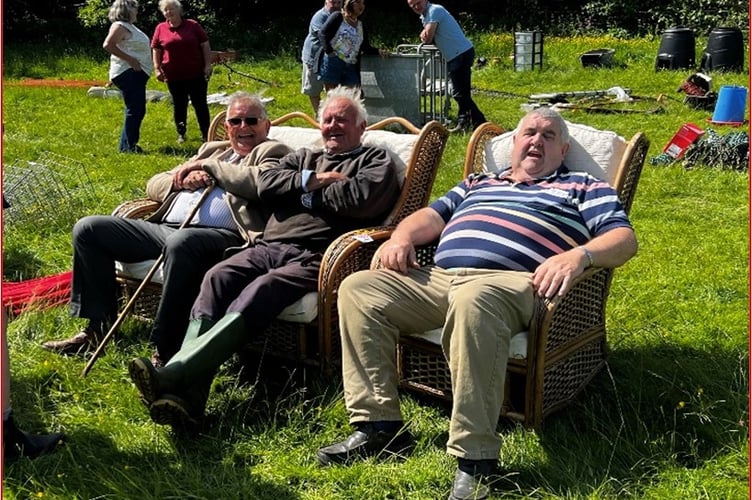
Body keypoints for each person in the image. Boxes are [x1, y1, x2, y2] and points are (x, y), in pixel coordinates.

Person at [317, 108, 638, 500]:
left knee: (474, 298)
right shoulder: (479, 182)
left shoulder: (582, 186)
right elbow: (430, 218)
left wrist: (578, 257)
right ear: (515, 143)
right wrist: (401, 237)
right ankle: (379, 426)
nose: (536, 141)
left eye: (548, 136)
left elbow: (623, 239)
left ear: (564, 149)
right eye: (529, 133)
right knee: (360, 288)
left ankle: (476, 458)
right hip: (438, 279)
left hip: (513, 284)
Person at [127, 86, 402, 431]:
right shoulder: (304, 158)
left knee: (262, 289)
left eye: (343, 120)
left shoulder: (376, 160)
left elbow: (359, 200)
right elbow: (267, 184)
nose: (334, 126)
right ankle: (188, 400)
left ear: (362, 127)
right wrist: (313, 181)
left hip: (317, 254)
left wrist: (301, 196)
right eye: (328, 119)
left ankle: (175, 375)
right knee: (218, 277)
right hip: (267, 247)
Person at [41, 92, 293, 367]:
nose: (243, 127)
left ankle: (166, 349)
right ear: (228, 126)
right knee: (89, 228)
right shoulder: (212, 149)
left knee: (182, 243)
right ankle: (97, 328)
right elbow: (154, 183)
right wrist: (180, 181)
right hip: (165, 228)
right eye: (236, 121)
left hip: (225, 239)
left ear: (266, 126)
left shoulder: (273, 152)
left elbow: (261, 184)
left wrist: (212, 169)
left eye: (251, 120)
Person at [406, 0, 486, 133]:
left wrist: (424, 34)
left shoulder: (434, 10)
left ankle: (472, 121)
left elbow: (428, 37)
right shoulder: (425, 16)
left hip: (460, 53)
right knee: (461, 93)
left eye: (417, 3)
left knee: (459, 93)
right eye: (412, 5)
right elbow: (428, 35)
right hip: (455, 54)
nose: (415, 7)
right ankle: (474, 121)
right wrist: (424, 34)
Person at [151, 0, 213, 143]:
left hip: (196, 73)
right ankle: (181, 133)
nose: (168, 12)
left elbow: (205, 44)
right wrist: (157, 68)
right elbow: (156, 49)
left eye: (171, 9)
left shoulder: (193, 25)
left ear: (179, 10)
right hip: (173, 75)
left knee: (200, 104)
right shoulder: (160, 28)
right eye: (165, 10)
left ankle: (206, 133)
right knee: (179, 105)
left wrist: (208, 64)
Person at [103, 0, 153, 153]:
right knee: (135, 109)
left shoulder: (130, 27)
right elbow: (108, 45)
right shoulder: (119, 26)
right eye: (134, 8)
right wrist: (131, 61)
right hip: (129, 72)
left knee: (136, 109)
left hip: (135, 73)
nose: (137, 11)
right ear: (125, 10)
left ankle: (128, 145)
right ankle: (127, 147)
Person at [318, 0, 388, 92]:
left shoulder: (361, 25)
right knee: (333, 96)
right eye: (358, 2)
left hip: (350, 65)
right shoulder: (338, 16)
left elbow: (365, 47)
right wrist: (329, 52)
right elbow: (322, 33)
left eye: (363, 3)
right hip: (333, 62)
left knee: (355, 95)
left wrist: (378, 51)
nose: (361, 6)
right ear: (349, 4)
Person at [301, 0, 343, 114]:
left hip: (329, 58)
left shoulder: (341, 15)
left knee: (332, 89)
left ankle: (330, 115)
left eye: (339, 3)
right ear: (326, 2)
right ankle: (318, 116)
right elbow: (324, 36)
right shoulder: (320, 16)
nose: (336, 5)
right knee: (313, 89)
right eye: (333, 2)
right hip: (313, 57)